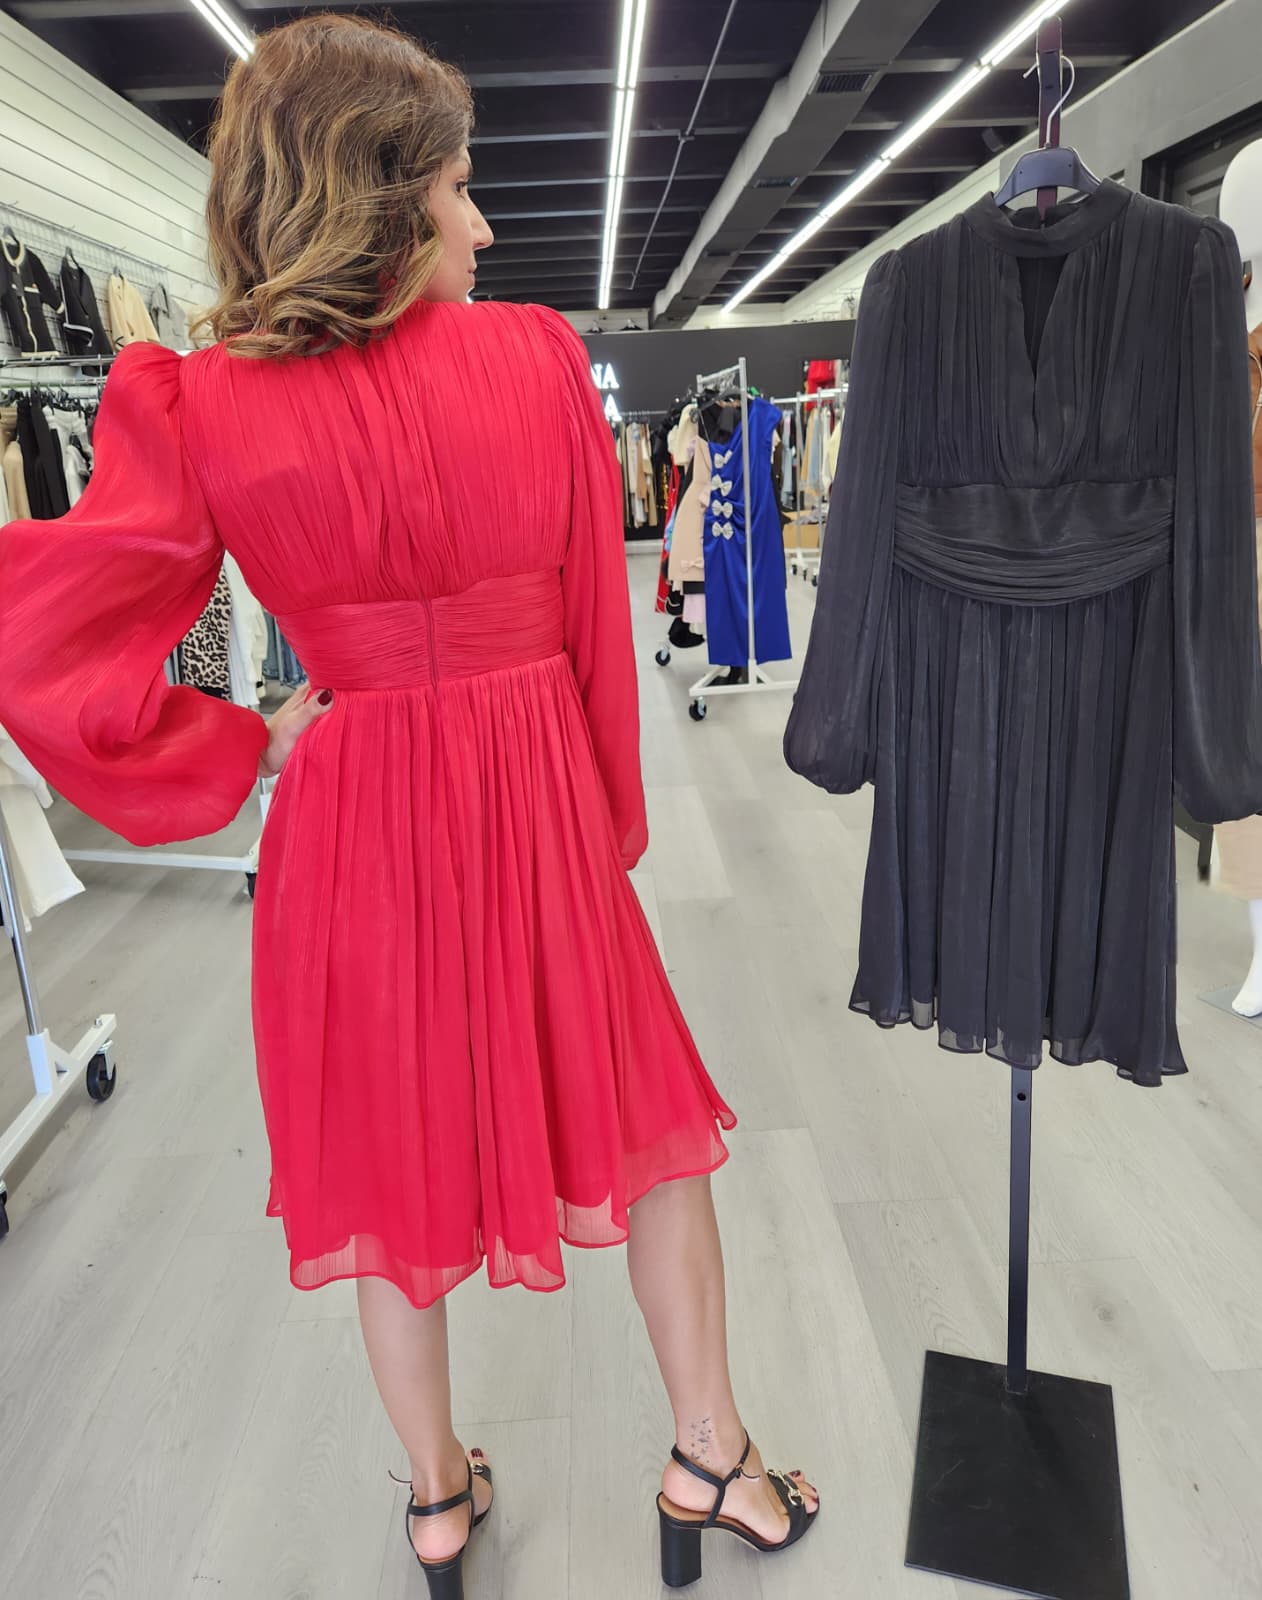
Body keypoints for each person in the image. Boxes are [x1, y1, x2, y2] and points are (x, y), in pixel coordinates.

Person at [0, 15, 818, 1594]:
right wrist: (598, 819)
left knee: (383, 1160)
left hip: (349, 798)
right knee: (648, 1127)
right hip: (532, 789)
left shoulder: (196, 404)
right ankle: (711, 1458)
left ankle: (438, 1501)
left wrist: (239, 746)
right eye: (456, 187)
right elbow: (591, 622)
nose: (483, 224)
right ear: (384, 196)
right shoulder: (529, 359)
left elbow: (40, 639)